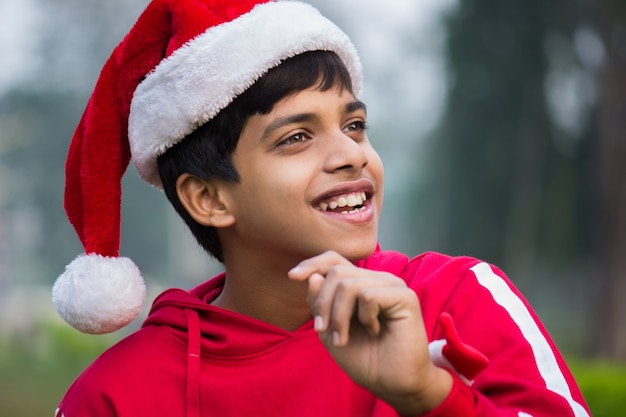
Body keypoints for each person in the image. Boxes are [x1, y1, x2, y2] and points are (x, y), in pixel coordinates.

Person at [52, 1, 590, 416]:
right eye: (296, 137)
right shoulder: (116, 394)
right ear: (209, 198)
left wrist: (430, 395)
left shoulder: (460, 299)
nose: (351, 155)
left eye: (354, 125)